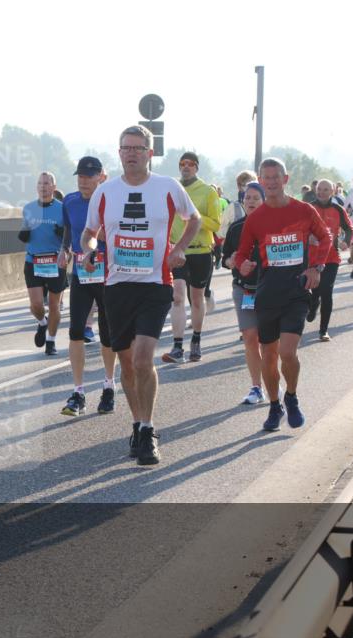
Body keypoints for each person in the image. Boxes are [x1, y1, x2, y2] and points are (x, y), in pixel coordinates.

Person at [82, 125, 200, 466]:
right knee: (127, 364)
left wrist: (179, 248)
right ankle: (136, 423)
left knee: (143, 359)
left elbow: (193, 219)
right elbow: (89, 232)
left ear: (150, 153)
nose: (131, 153)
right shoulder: (105, 192)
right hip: (117, 286)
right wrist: (90, 249)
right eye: (126, 148)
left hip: (155, 284)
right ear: (119, 153)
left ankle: (148, 430)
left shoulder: (168, 186)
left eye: (138, 148)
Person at [234, 158, 332, 432]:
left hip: (296, 292)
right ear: (261, 181)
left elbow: (326, 237)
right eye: (266, 178)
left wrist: (316, 267)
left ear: (285, 179)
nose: (271, 182)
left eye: (276, 177)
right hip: (267, 294)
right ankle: (275, 405)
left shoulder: (304, 210)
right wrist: (243, 264)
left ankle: (291, 396)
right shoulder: (256, 219)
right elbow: (241, 253)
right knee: (269, 355)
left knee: (287, 352)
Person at [59, 156, 117, 416]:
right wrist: (64, 250)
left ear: (100, 177)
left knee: (107, 333)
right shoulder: (70, 201)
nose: (83, 181)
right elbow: (68, 229)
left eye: (89, 176)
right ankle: (78, 392)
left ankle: (109, 386)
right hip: (81, 273)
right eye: (80, 176)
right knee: (76, 331)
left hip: (107, 274)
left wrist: (107, 236)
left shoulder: (111, 201)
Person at [161, 151, 220, 363]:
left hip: (201, 251)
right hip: (178, 251)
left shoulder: (208, 192)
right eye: (182, 163)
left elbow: (216, 224)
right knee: (177, 296)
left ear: (196, 167)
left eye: (191, 164)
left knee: (196, 299)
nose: (186, 167)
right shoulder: (172, 189)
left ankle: (196, 339)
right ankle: (177, 346)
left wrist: (194, 215)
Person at [221, 182, 267, 404]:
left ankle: (273, 382)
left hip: (270, 289)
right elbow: (225, 258)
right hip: (244, 289)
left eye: (256, 198)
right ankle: (256, 387)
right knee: (250, 337)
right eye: (247, 197)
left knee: (269, 341)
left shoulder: (273, 224)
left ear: (264, 200)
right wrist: (233, 262)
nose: (251, 201)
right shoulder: (236, 227)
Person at [20, 172, 68, 356]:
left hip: (55, 261)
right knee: (36, 305)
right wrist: (24, 233)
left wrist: (62, 234)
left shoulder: (63, 209)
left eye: (47, 183)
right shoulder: (29, 208)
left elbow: (70, 235)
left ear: (53, 187)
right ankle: (42, 322)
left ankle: (51, 341)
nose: (43, 186)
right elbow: (24, 232)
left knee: (54, 305)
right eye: (40, 183)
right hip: (33, 260)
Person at [308, 179, 353, 341]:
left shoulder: (338, 209)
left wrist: (346, 242)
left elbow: (349, 229)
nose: (321, 192)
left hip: (331, 257)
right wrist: (307, 236)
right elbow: (297, 228)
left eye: (326, 189)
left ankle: (323, 330)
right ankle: (313, 304)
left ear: (332, 192)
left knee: (326, 292)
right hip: (312, 257)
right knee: (315, 291)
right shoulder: (308, 208)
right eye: (319, 189)